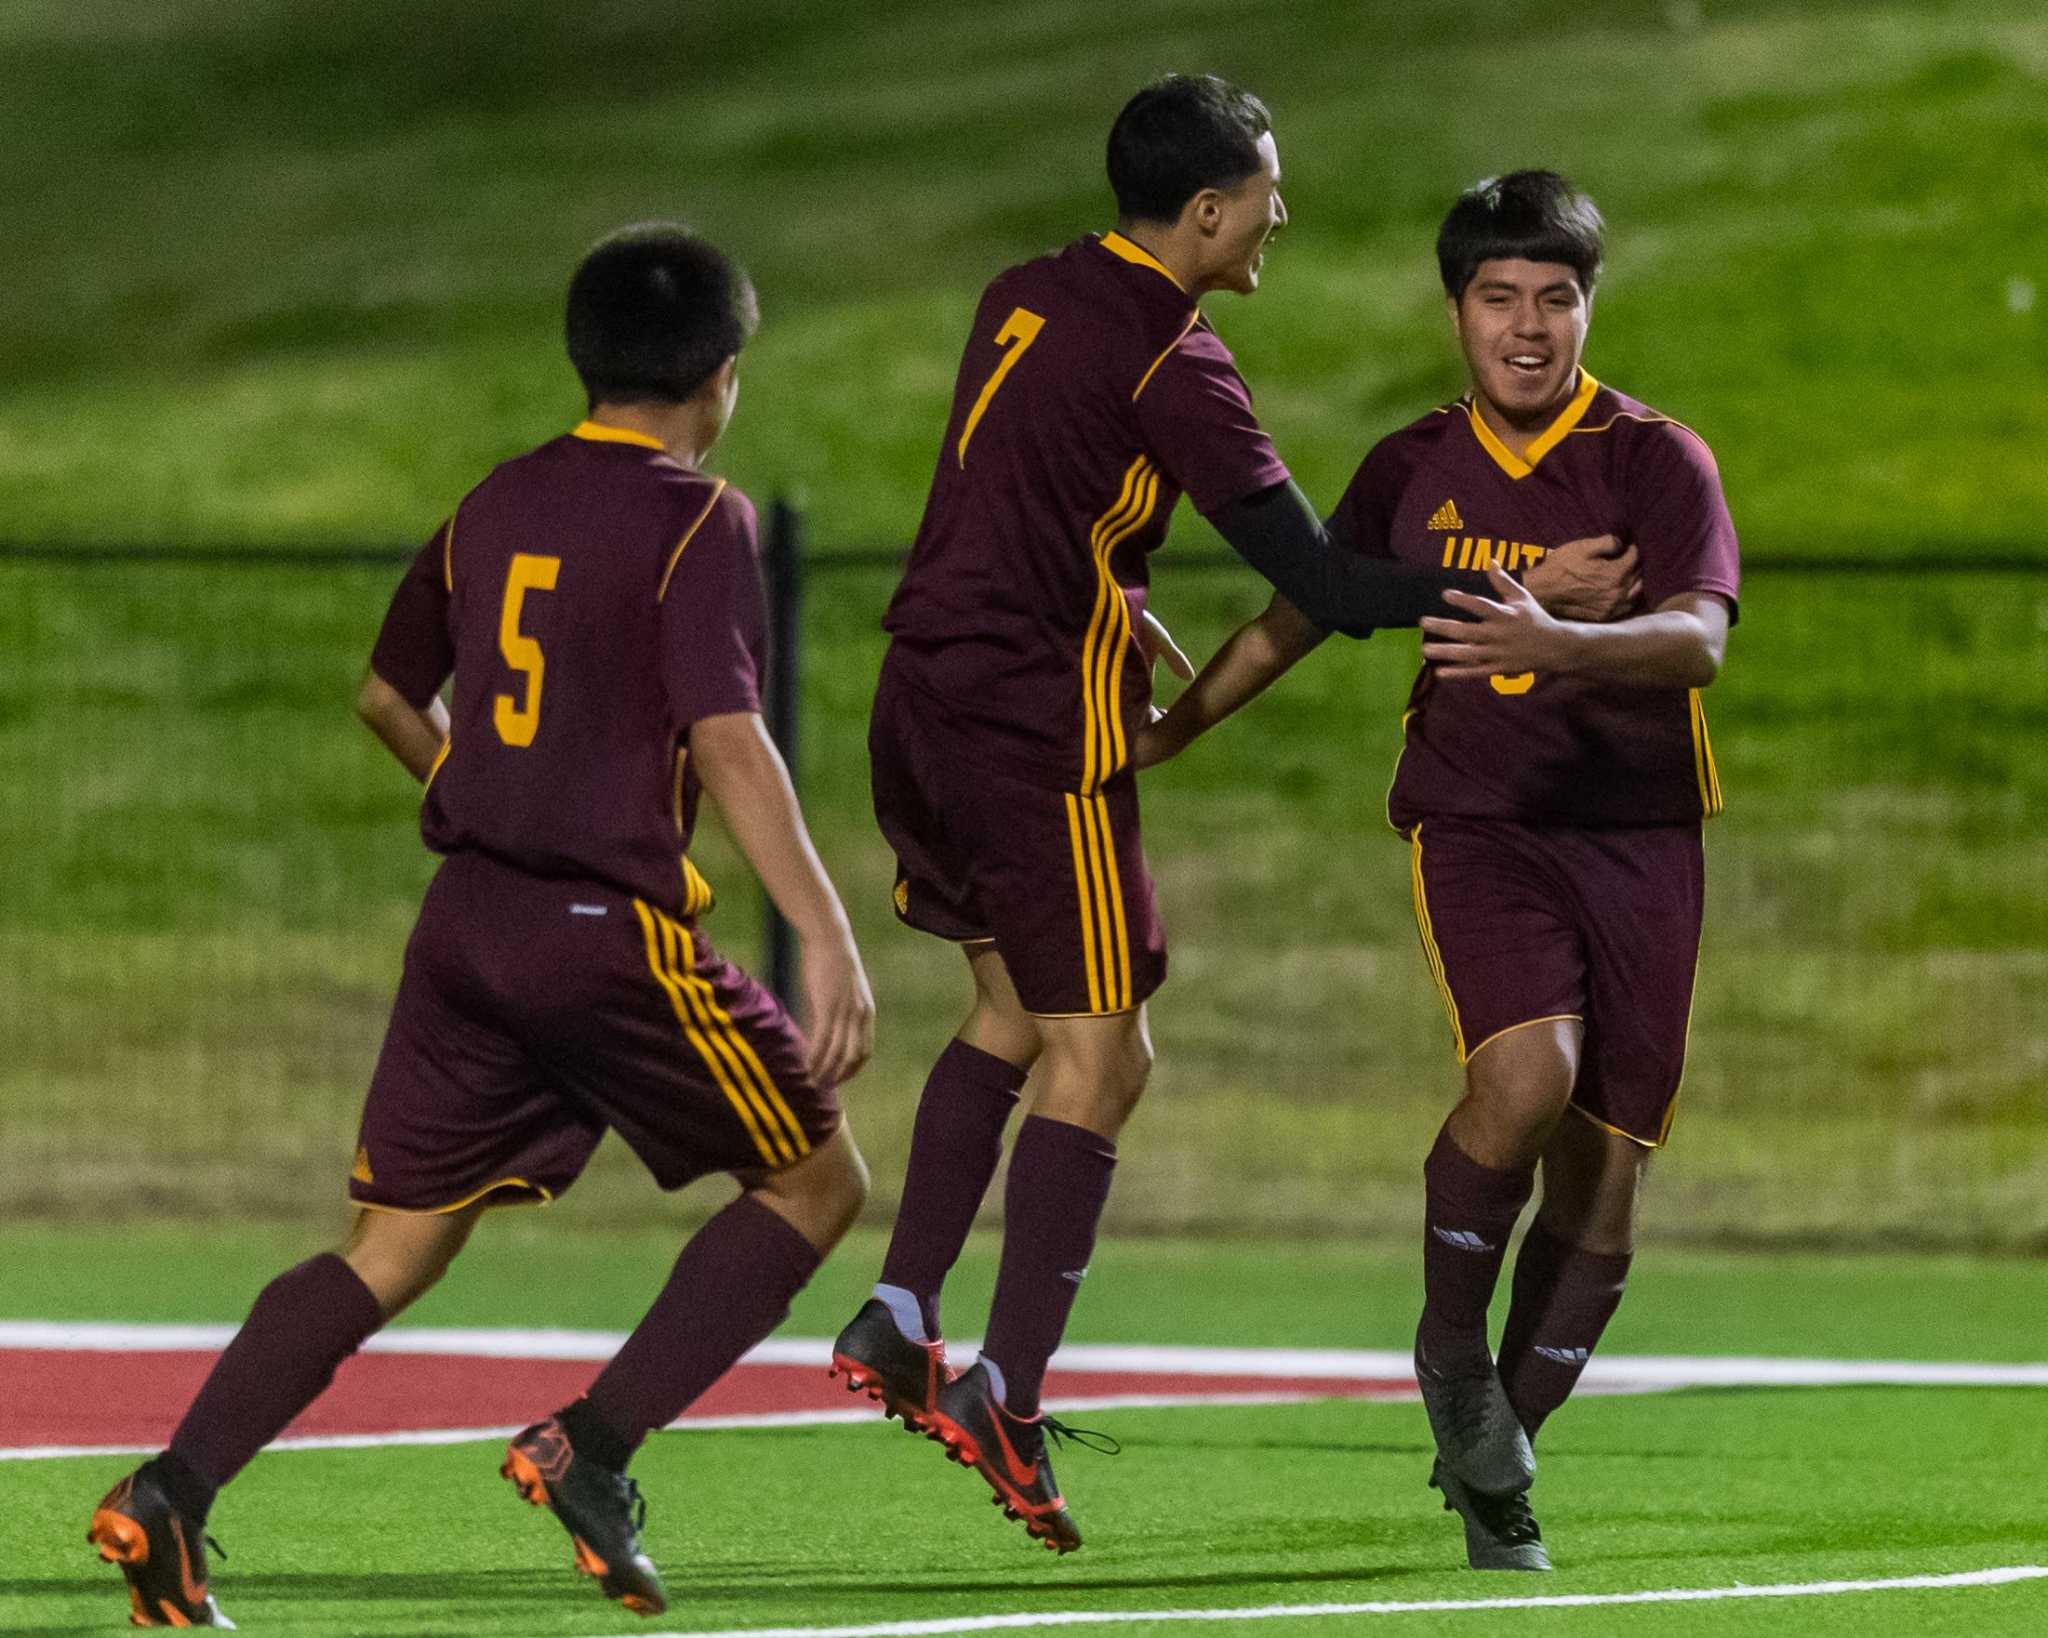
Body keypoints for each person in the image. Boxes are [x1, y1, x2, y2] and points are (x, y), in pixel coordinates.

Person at [827, 79, 1632, 1556]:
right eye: (1268, 189)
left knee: (1010, 1005)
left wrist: (1113, 590)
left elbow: (1015, 480)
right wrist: (1519, 593)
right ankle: (1004, 1385)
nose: (1281, 212)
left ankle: (900, 1309)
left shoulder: (1028, 290)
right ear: (1208, 212)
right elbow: (1325, 586)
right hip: (1027, 725)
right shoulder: (1177, 357)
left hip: (919, 702)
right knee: (1110, 1046)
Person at [86, 224, 875, 1626]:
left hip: (466, 929)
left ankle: (171, 1492)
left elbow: (387, 697)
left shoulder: (493, 500)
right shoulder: (701, 516)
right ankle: (594, 1443)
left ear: (586, 356)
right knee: (818, 1183)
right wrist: (821, 927)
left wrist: (488, 788)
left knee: (386, 1248)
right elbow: (731, 737)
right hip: (604, 930)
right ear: (723, 378)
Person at [1138, 170, 1739, 1571]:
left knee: (1604, 1185)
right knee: (1524, 1076)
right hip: (1481, 824)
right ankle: (1449, 1345)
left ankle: (1491, 1463)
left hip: (1642, 837)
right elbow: (1305, 614)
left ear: (1589, 306)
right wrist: (1173, 725)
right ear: (1456, 311)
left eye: (1556, 297)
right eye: (1497, 298)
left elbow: (1700, 640)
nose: (1527, 327)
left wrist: (1562, 641)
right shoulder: (1412, 467)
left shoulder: (1658, 459)